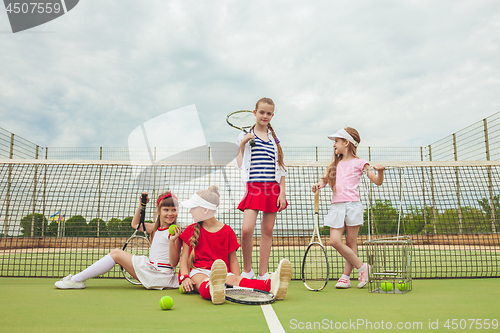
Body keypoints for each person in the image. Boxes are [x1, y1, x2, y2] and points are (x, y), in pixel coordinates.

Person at [177, 185, 292, 304]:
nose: (190, 211)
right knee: (203, 281)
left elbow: (233, 261)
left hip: (222, 274)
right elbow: (184, 258)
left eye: (193, 208)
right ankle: (212, 290)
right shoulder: (190, 231)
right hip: (198, 271)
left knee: (235, 280)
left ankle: (271, 284)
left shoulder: (228, 231)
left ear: (205, 210)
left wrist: (238, 279)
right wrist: (184, 277)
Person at [55, 191, 181, 290]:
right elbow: (136, 224)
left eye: (173, 210)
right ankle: (77, 280)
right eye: (166, 210)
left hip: (160, 275)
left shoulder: (175, 231)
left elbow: (174, 262)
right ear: (159, 211)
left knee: (116, 253)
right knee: (116, 253)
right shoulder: (156, 228)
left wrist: (172, 241)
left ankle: (76, 280)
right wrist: (142, 205)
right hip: (153, 271)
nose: (170, 213)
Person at [311, 128, 385, 289]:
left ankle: (346, 277)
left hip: (353, 206)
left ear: (346, 143)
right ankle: (363, 267)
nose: (334, 145)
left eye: (336, 141)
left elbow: (377, 181)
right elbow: (324, 181)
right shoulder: (334, 166)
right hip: (337, 207)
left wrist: (380, 173)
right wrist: (319, 184)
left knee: (351, 242)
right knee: (335, 241)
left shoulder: (361, 162)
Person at [234, 97, 288, 280]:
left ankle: (263, 273)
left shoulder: (274, 140)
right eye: (262, 112)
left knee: (267, 230)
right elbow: (239, 163)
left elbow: (281, 169)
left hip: (272, 189)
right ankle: (247, 270)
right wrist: (243, 143)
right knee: (246, 230)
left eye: (269, 113)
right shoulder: (244, 135)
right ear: (255, 112)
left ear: (272, 115)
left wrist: (282, 193)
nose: (265, 116)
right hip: (254, 188)